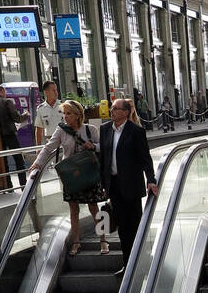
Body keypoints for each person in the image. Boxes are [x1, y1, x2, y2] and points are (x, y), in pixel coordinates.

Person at [29, 98, 108, 256]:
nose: (66, 116)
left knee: (94, 208)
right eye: (64, 113)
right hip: (71, 175)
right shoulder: (61, 130)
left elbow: (104, 148)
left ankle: (103, 240)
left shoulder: (90, 130)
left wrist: (93, 146)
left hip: (89, 173)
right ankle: (76, 242)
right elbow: (48, 147)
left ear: (78, 115)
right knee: (73, 209)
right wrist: (38, 163)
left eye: (69, 113)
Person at [98, 96, 159, 269]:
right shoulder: (105, 130)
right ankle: (128, 264)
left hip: (132, 185)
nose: (112, 111)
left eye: (116, 109)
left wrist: (151, 180)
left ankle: (141, 260)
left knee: (135, 225)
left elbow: (145, 159)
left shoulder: (136, 131)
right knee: (123, 228)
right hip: (114, 185)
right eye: (112, 108)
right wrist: (104, 184)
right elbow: (104, 159)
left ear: (125, 112)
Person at [0, 85, 27, 189]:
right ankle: (23, 185)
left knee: (3, 161)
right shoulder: (7, 101)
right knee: (18, 159)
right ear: (2, 91)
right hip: (10, 134)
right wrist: (25, 115)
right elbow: (16, 118)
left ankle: (8, 186)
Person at [34, 79, 64, 147]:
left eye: (56, 90)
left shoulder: (63, 106)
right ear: (46, 92)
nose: (56, 92)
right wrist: (38, 148)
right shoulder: (41, 109)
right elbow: (39, 129)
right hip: (50, 142)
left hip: (63, 140)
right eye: (53, 90)